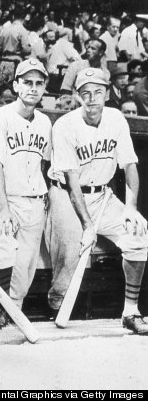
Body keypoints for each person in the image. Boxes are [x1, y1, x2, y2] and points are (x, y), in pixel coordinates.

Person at [46, 68, 148, 335]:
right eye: (86, 93)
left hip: (102, 196)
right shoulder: (65, 125)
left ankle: (130, 311)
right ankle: (55, 306)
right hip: (66, 195)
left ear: (107, 93)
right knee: (67, 265)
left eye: (98, 92)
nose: (92, 98)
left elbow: (129, 166)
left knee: (138, 235)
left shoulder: (116, 119)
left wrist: (131, 207)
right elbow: (71, 180)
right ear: (78, 95)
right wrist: (88, 225)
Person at [0, 58, 52, 329]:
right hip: (5, 198)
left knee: (24, 266)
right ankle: (0, 308)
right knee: (1, 244)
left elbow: (43, 165)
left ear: (45, 87)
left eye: (38, 83)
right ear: (16, 85)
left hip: (34, 200)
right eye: (27, 82)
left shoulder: (45, 122)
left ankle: (13, 310)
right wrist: (2, 208)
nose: (33, 88)